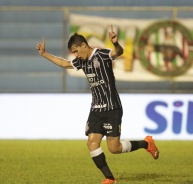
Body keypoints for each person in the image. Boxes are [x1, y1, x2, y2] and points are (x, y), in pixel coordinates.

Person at [36, 25, 159, 184]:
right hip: (95, 109)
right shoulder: (82, 62)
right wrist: (44, 54)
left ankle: (146, 143)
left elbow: (118, 52)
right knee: (91, 142)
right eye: (73, 52)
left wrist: (115, 43)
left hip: (112, 108)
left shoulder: (101, 54)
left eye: (75, 50)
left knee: (114, 149)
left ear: (83, 46)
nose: (75, 54)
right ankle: (109, 178)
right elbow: (64, 63)